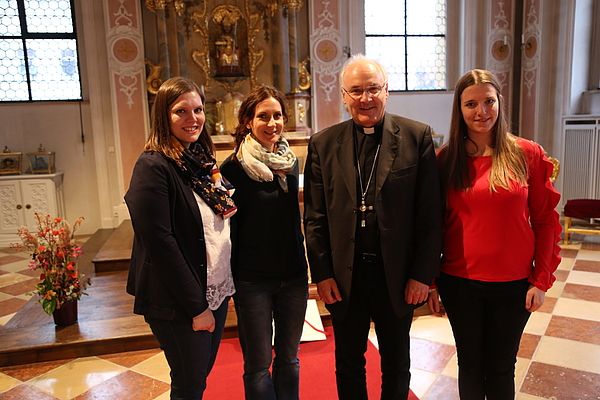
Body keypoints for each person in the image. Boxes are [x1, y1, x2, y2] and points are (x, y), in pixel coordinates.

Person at [303, 54, 443, 400]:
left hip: (396, 276)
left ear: (386, 91)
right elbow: (315, 218)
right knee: (348, 360)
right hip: (345, 276)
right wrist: (322, 275)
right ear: (344, 95)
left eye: (373, 89)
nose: (366, 99)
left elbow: (430, 215)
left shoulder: (416, 137)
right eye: (356, 91)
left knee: (397, 361)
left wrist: (422, 276)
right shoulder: (323, 144)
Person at [427, 69, 562, 399]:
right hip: (460, 282)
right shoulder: (445, 160)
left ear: (499, 102)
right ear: (459, 109)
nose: (481, 112)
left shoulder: (527, 154)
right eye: (471, 104)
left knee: (501, 367)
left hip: (514, 284)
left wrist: (540, 278)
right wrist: (430, 281)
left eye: (488, 101)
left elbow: (545, 221)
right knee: (471, 365)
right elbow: (431, 227)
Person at [125, 76, 237, 399]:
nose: (193, 119)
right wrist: (196, 307)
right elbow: (161, 245)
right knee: (189, 384)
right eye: (181, 112)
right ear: (164, 116)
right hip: (179, 300)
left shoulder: (199, 162)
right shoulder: (153, 166)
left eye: (198, 109)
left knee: (197, 377)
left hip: (213, 290)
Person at [220, 85, 308, 400]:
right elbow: (228, 228)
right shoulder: (232, 168)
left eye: (277, 116)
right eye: (263, 116)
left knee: (290, 359)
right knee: (258, 366)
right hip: (253, 279)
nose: (272, 123)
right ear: (247, 121)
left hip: (294, 276)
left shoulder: (290, 162)